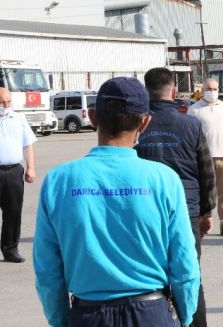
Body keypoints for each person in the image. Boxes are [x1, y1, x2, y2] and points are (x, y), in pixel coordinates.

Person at [33, 77, 200, 326]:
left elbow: (48, 271)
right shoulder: (164, 179)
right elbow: (185, 265)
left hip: (87, 314)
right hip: (151, 313)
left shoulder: (59, 181)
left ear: (92, 116)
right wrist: (184, 317)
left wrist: (61, 320)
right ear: (144, 123)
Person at [136, 68, 217, 327]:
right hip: (187, 211)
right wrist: (207, 212)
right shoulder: (191, 124)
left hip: (145, 213)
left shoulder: (136, 124)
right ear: (173, 91)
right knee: (190, 276)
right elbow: (207, 171)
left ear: (146, 91)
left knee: (150, 277)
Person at [188, 78, 223, 237]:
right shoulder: (194, 110)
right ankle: (201, 223)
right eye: (209, 89)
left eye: (215, 89)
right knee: (203, 193)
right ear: (202, 90)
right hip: (204, 158)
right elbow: (191, 136)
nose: (212, 91)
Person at [0, 87, 36, 263]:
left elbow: (27, 145)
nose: (5, 105)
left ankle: (10, 249)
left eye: (8, 102)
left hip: (14, 171)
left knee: (13, 212)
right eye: (1, 102)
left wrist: (31, 168)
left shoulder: (18, 119)